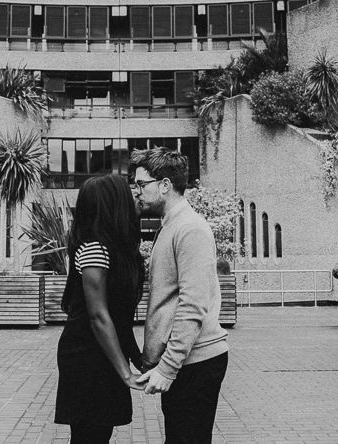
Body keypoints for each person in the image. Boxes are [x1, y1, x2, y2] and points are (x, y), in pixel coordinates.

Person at [132, 147, 229, 444]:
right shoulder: (172, 225)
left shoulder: (190, 228)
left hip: (195, 363)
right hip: (186, 362)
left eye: (141, 184)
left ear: (164, 185)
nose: (136, 191)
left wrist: (168, 367)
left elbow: (193, 304)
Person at [54, 174, 146, 443]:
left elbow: (120, 318)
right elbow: (98, 316)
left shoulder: (114, 249)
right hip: (86, 356)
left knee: (98, 432)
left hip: (101, 352)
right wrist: (126, 372)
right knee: (90, 433)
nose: (133, 197)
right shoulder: (94, 248)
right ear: (114, 203)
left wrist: (140, 360)